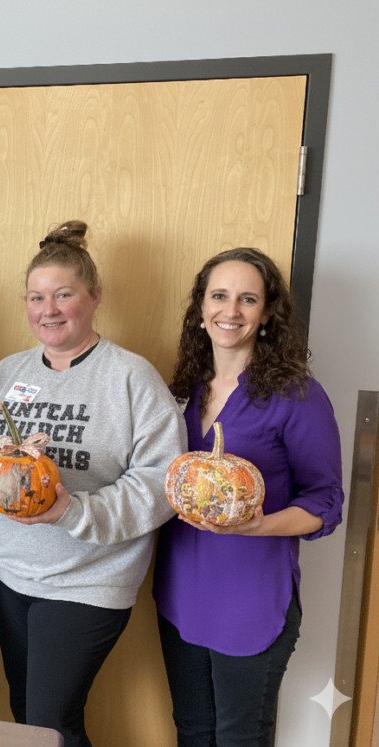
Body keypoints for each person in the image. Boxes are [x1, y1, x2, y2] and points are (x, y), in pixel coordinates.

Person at [0, 221, 186, 747]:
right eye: (36, 297)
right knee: (28, 714)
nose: (49, 309)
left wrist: (72, 510)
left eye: (64, 295)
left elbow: (163, 482)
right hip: (12, 572)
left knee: (49, 723)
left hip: (89, 580)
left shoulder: (131, 377)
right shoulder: (8, 372)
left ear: (94, 297)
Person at [153, 248, 343, 746]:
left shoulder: (297, 395)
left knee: (240, 738)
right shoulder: (182, 388)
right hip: (180, 592)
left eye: (248, 299)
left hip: (251, 599)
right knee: (192, 732)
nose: (230, 311)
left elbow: (325, 502)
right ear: (200, 307)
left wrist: (257, 525)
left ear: (268, 313)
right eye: (219, 295)